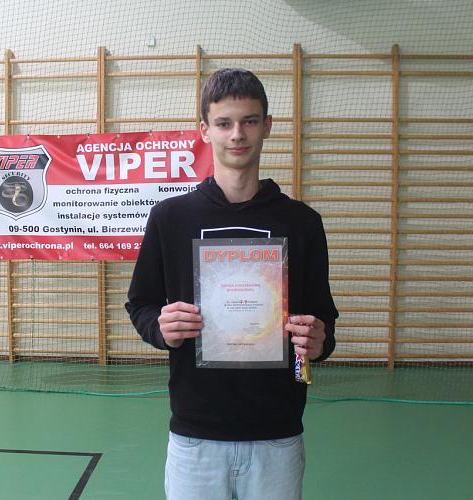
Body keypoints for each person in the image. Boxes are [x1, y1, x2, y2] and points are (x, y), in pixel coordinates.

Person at [125, 68, 338, 500]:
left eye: (249, 121)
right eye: (224, 123)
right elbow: (141, 304)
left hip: (277, 436)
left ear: (267, 126)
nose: (237, 134)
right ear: (205, 130)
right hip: (196, 437)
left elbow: (322, 320)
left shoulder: (302, 223)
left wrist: (318, 344)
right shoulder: (170, 218)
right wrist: (161, 328)